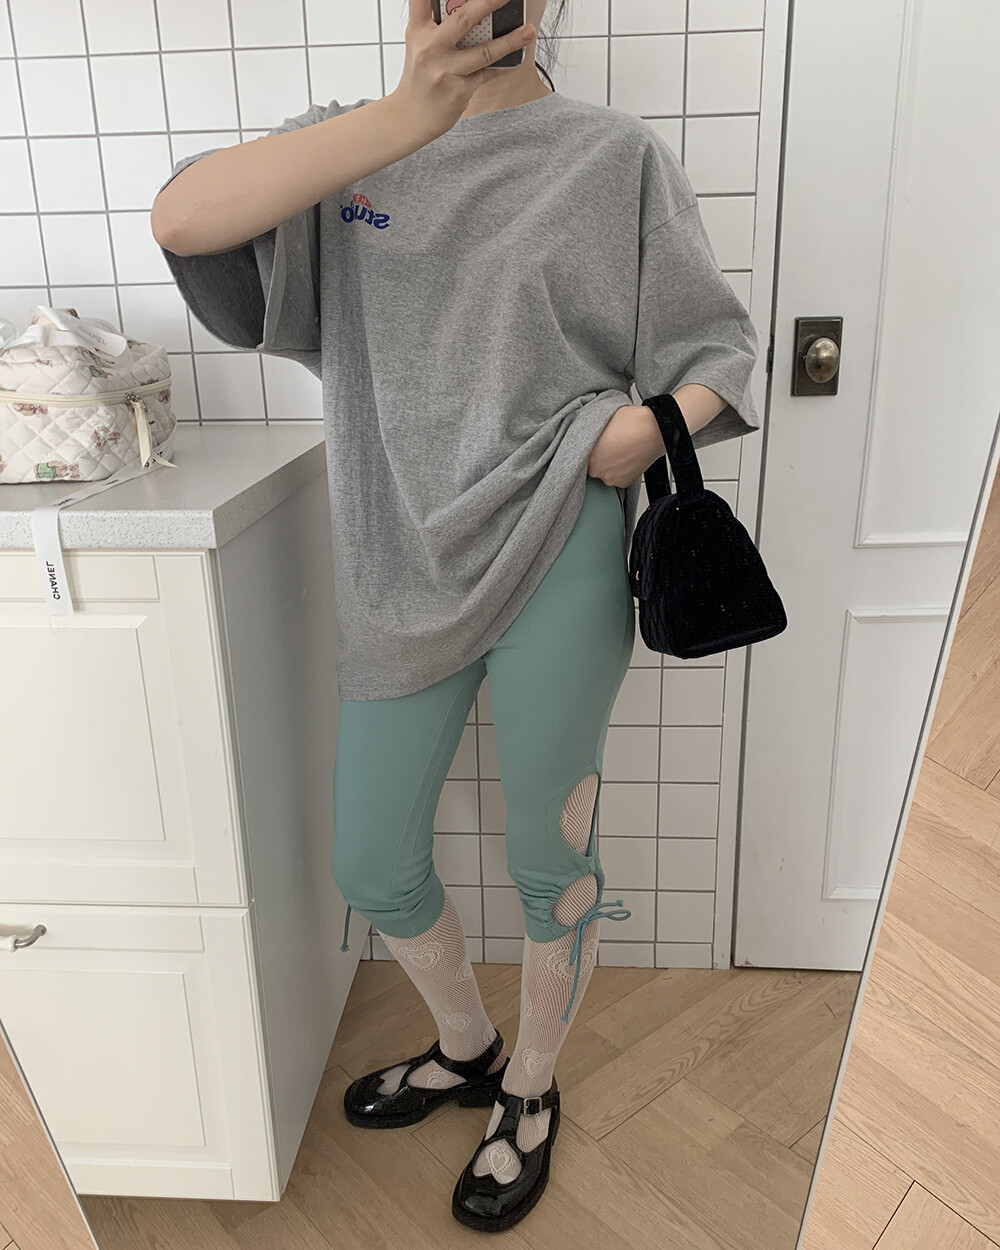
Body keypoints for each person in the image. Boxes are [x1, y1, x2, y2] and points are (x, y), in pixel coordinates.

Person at [151, 0, 760, 1232]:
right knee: (371, 859)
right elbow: (181, 219)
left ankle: (529, 1085)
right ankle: (468, 1043)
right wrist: (399, 118)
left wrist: (642, 429)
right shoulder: (346, 149)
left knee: (550, 858)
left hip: (561, 538)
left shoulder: (612, 156)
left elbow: (716, 349)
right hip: (395, 551)